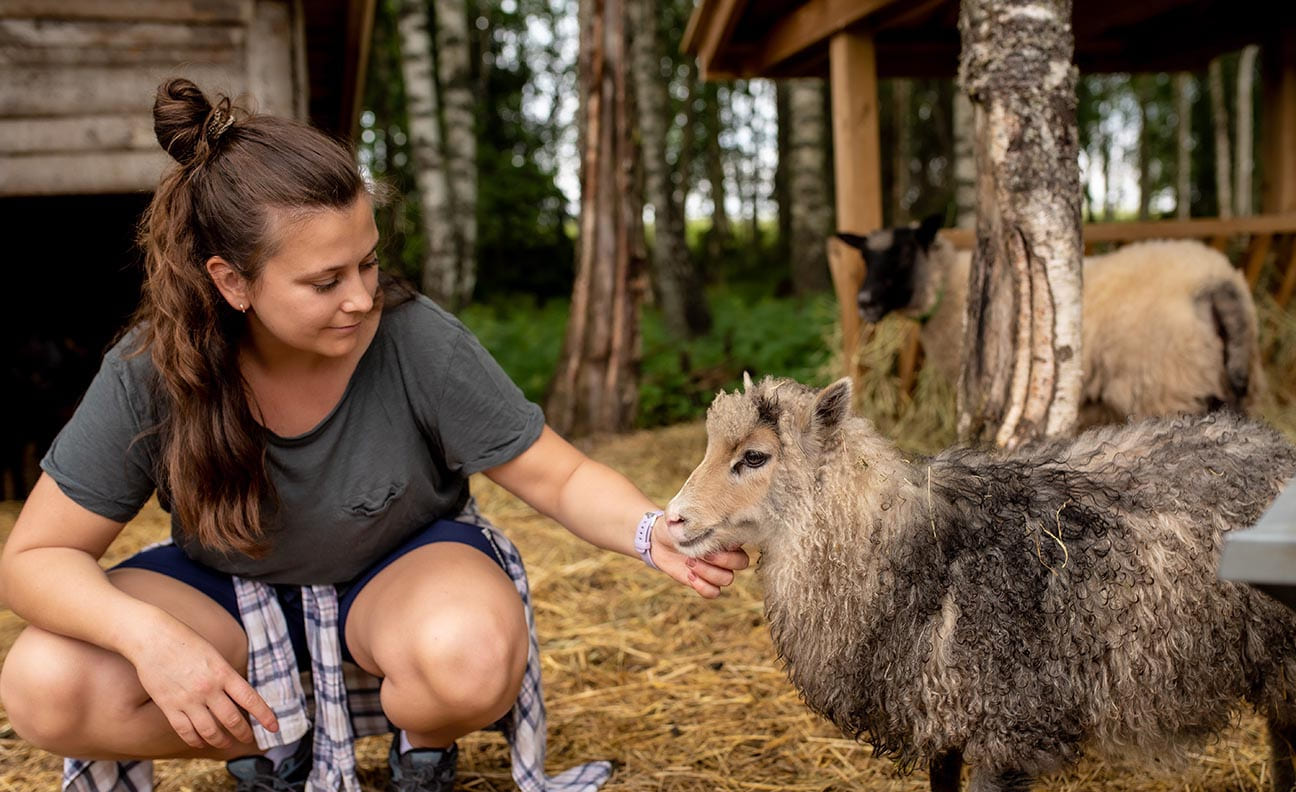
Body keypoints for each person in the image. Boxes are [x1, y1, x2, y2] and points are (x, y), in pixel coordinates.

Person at [0, 78, 749, 792]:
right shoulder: (150, 372)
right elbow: (34, 558)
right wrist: (148, 639)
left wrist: (652, 531)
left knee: (469, 655)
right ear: (232, 282)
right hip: (225, 596)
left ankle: (422, 746)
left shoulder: (416, 339)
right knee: (43, 685)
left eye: (368, 262)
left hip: (396, 579)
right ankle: (276, 743)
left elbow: (558, 477)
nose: (361, 298)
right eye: (325, 282)